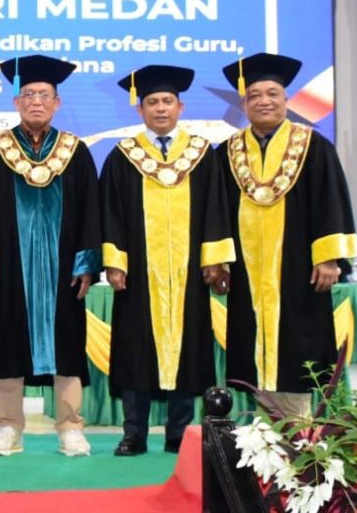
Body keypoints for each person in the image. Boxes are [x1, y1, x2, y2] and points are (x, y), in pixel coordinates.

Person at [0, 55, 102, 457]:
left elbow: (91, 209)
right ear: (16, 102)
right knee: (8, 342)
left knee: (67, 341)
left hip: (62, 268)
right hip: (10, 266)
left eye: (45, 95)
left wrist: (86, 263)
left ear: (57, 103)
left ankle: (70, 427)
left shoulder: (74, 151)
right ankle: (9, 427)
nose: (36, 102)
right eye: (28, 94)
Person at [100, 65, 235, 456]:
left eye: (167, 101)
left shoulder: (200, 155)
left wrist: (215, 261)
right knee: (134, 349)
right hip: (139, 274)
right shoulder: (124, 157)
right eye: (152, 102)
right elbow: (110, 213)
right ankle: (134, 433)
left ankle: (179, 433)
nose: (160, 109)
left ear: (180, 106)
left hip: (190, 273)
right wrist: (114, 262)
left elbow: (216, 208)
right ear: (140, 109)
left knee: (190, 350)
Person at [216, 53, 357, 419]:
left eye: (273, 93)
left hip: (298, 269)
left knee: (299, 345)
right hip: (246, 271)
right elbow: (215, 211)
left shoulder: (312, 145)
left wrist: (328, 256)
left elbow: (331, 201)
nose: (264, 100)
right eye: (255, 95)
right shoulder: (227, 153)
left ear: (286, 99)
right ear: (244, 103)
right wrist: (218, 261)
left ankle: (300, 427)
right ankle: (264, 428)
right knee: (251, 346)